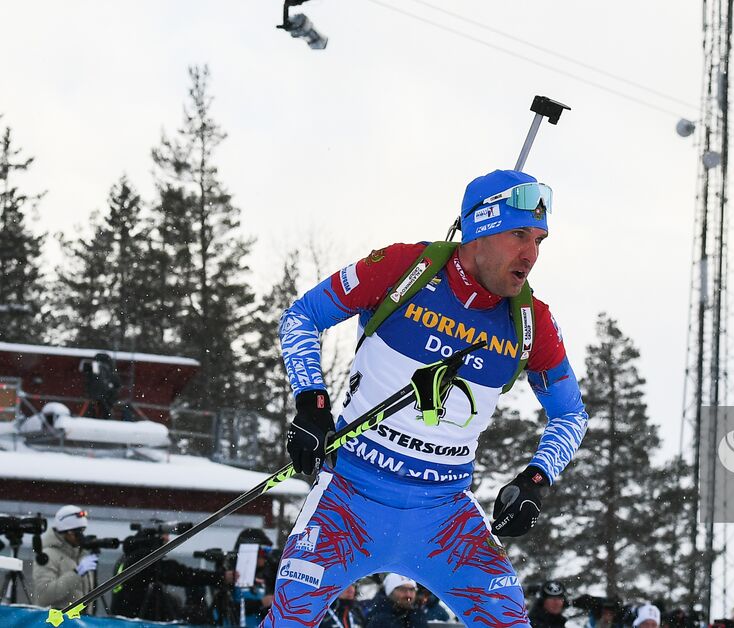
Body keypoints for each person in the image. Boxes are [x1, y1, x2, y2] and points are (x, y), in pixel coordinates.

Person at [267, 169, 589, 628]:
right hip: (349, 499)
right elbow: (302, 317)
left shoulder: (531, 322)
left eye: (539, 240)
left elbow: (570, 414)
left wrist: (537, 479)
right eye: (519, 234)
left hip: (445, 518)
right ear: (479, 230)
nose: (531, 254)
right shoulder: (402, 269)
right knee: (290, 619)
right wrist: (311, 405)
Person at [110, 524, 232, 622]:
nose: (168, 540)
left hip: (122, 619)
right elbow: (182, 575)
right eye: (165, 536)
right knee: (196, 612)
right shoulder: (145, 558)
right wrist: (220, 577)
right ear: (157, 538)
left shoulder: (126, 557)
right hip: (141, 620)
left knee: (177, 600)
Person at [33, 505, 97, 610]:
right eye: (76, 532)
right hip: (57, 622)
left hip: (80, 622)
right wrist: (76, 573)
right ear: (65, 532)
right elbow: (43, 596)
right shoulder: (47, 556)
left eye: (82, 531)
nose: (80, 536)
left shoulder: (81, 556)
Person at [364, 575, 431, 628]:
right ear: (390, 592)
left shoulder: (418, 615)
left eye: (411, 590)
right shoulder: (378, 618)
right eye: (402, 589)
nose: (408, 594)